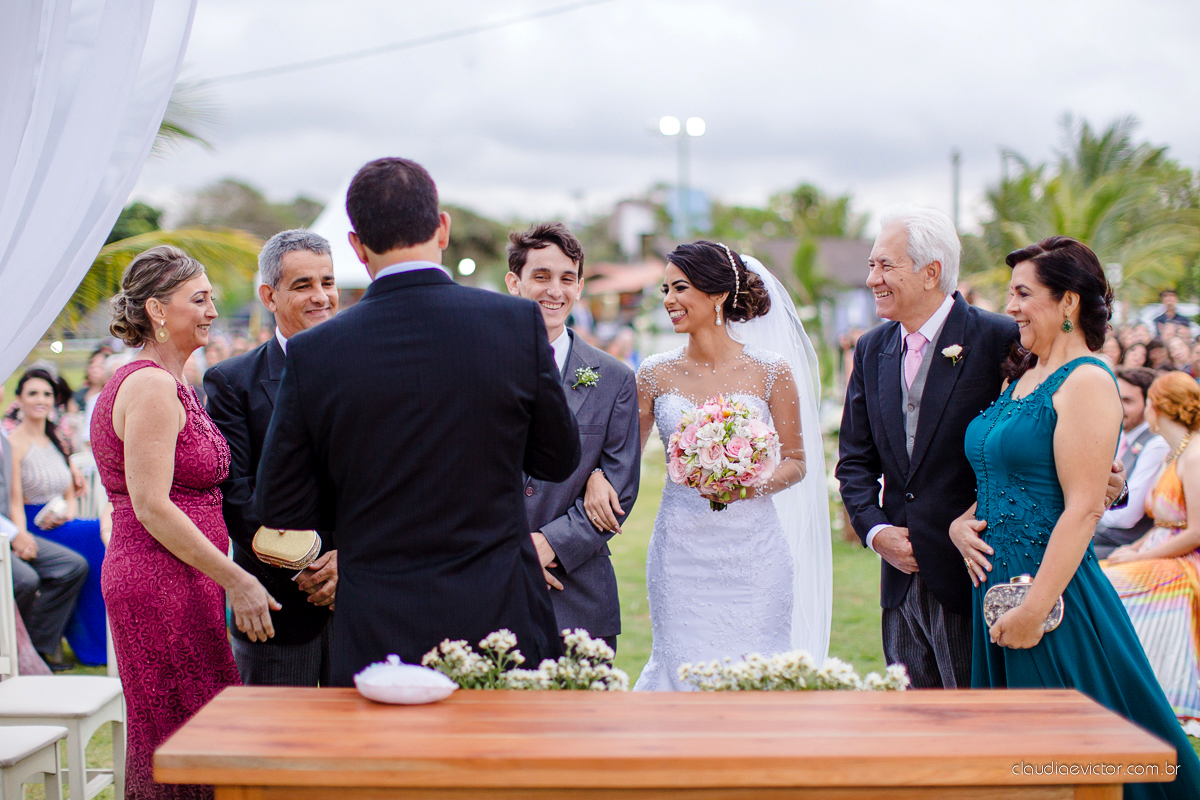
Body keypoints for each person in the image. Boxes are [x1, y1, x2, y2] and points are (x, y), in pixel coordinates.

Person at [254, 158, 579, 686]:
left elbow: (280, 502)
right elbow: (558, 458)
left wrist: (362, 496)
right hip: (496, 605)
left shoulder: (317, 351)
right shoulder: (514, 322)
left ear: (357, 247)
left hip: (379, 617)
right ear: (442, 229)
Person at [952, 237, 1200, 798]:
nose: (1010, 307)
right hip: (994, 584)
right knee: (1020, 761)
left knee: (1072, 761)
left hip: (1050, 591)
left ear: (1068, 301)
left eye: (1023, 293)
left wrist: (1035, 608)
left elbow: (1085, 505)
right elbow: (1003, 476)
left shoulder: (1087, 380)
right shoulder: (1021, 378)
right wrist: (958, 523)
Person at [587, 240, 829, 690]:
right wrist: (598, 475)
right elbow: (621, 455)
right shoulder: (654, 373)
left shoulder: (771, 369)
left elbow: (796, 462)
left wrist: (748, 484)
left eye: (680, 288)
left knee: (757, 672)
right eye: (665, 290)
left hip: (756, 557)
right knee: (681, 670)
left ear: (717, 294)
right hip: (680, 555)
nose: (668, 300)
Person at [93, 245, 278, 800]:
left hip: (185, 579)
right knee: (181, 737)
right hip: (158, 582)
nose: (212, 311)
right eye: (198, 300)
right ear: (156, 309)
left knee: (199, 732)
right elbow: (151, 505)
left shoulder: (173, 382)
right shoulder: (149, 386)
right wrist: (237, 578)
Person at [838, 206, 1018, 688]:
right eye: (872, 265)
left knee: (972, 717)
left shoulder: (998, 338)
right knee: (909, 715)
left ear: (931, 272)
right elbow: (854, 461)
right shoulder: (871, 348)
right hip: (898, 581)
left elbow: (1025, 450)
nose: (872, 278)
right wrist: (876, 531)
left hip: (973, 574)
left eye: (885, 265)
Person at [205, 230, 340, 685]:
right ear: (269, 296)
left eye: (327, 282)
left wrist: (348, 559)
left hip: (360, 598)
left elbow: (390, 478)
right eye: (303, 285)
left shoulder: (372, 368)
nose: (321, 296)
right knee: (279, 733)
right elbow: (236, 493)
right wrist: (309, 568)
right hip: (276, 603)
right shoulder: (232, 382)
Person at [504, 222, 639, 653]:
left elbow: (622, 486)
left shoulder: (615, 378)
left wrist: (548, 545)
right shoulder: (475, 365)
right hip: (492, 591)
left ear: (579, 287)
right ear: (514, 283)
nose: (555, 290)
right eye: (541, 276)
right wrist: (508, 551)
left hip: (578, 597)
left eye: (567, 279)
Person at [1104, 372, 1200, 737]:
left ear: (1156, 407)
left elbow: (1195, 532)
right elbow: (1164, 524)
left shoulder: (1194, 456)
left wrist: (1141, 557)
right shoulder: (1174, 454)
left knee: (1112, 581)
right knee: (1102, 573)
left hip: (1185, 564)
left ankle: (1136, 685)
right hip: (1160, 551)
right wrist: (1135, 548)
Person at [6, 368, 106, 666]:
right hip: (30, 524)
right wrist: (21, 535)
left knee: (97, 535)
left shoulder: (55, 439)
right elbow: (13, 499)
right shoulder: (12, 443)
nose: (41, 399)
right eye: (33, 393)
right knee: (97, 533)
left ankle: (103, 638)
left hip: (59, 521)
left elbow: (70, 493)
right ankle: (95, 642)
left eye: (47, 394)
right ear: (19, 399)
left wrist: (67, 513)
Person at [1092, 368, 1169, 558]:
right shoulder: (1118, 434)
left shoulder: (1156, 444)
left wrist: (1087, 513)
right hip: (1098, 531)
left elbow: (1126, 516)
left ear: (1149, 404)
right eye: (1115, 398)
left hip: (1123, 543)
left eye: (1127, 401)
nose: (1118, 407)